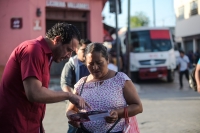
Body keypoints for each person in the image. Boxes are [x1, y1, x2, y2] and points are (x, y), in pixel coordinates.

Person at [0, 22, 89, 133]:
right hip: (15, 124)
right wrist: (69, 95)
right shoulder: (33, 50)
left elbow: (40, 95)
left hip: (31, 123)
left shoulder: (47, 56)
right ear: (57, 39)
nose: (68, 56)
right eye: (68, 50)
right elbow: (35, 93)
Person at [66, 43, 143, 133]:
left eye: (99, 63)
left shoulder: (120, 79)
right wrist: (74, 118)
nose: (95, 67)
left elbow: (138, 107)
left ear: (107, 60)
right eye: (90, 64)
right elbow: (70, 110)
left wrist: (118, 113)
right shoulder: (81, 84)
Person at [60, 38, 91, 133]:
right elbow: (65, 84)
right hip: (75, 103)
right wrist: (74, 98)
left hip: (89, 104)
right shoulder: (71, 65)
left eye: (88, 50)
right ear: (76, 50)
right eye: (83, 50)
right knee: (74, 127)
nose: (86, 53)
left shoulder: (92, 63)